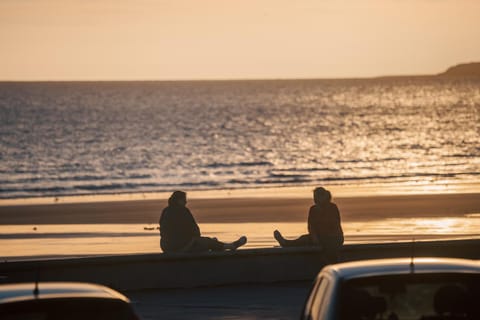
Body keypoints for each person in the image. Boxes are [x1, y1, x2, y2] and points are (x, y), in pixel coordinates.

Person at [159, 191, 247, 253]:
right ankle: (230, 246)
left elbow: (163, 229)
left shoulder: (165, 211)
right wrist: (198, 239)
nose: (186, 202)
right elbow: (193, 229)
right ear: (178, 200)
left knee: (205, 242)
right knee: (203, 242)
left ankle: (214, 245)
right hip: (179, 246)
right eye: (184, 199)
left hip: (166, 246)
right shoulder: (183, 210)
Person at [273, 187, 344, 262]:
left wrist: (319, 236)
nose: (315, 199)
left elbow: (334, 225)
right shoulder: (313, 209)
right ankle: (286, 243)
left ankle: (286, 243)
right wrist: (314, 237)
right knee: (303, 238)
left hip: (334, 237)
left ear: (323, 197)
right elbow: (310, 226)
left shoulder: (332, 207)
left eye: (316, 197)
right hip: (319, 237)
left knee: (309, 241)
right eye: (314, 197)